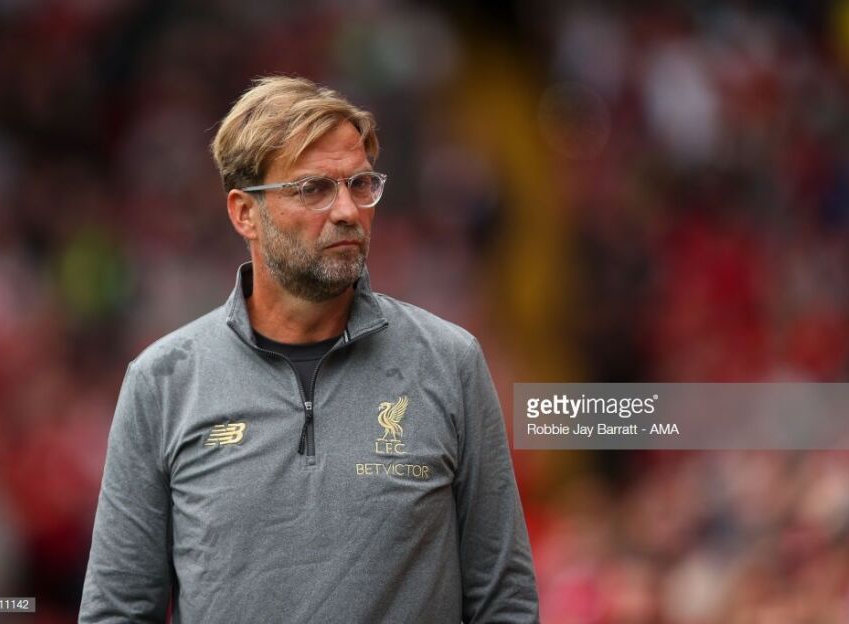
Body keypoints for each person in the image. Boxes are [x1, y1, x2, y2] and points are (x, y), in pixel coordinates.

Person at [79, 75, 538, 623]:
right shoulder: (162, 383)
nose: (347, 210)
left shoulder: (449, 361)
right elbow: (117, 609)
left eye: (360, 184)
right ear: (244, 213)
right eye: (313, 189)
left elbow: (504, 600)